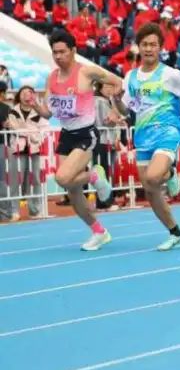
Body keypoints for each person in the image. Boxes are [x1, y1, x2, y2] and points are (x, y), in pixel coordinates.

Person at [111, 23, 180, 251]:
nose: (148, 49)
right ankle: (175, 231)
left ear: (160, 48)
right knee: (150, 189)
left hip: (167, 132)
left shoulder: (170, 74)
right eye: (145, 44)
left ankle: (171, 171)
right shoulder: (130, 77)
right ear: (138, 47)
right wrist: (116, 100)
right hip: (142, 137)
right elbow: (126, 110)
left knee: (155, 176)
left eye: (153, 45)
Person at [27, 29, 121, 250]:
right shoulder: (52, 78)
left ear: (73, 51)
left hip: (86, 133)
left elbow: (117, 82)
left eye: (62, 51)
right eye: (55, 52)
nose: (58, 56)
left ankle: (94, 175)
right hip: (67, 135)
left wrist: (115, 109)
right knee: (72, 189)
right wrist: (36, 106)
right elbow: (48, 113)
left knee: (62, 177)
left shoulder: (86, 72)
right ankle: (99, 232)